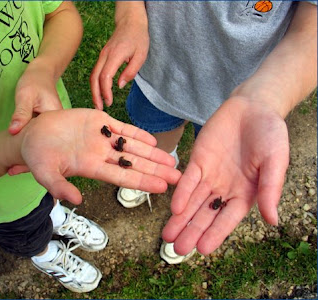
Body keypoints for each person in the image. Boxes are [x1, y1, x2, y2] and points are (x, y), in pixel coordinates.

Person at [0, 1, 181, 293]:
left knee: (51, 196)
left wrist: (44, 68)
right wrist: (18, 147)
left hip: (55, 142)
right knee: (27, 232)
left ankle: (56, 215)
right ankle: (45, 254)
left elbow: (61, 12)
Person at [90, 0, 317, 264]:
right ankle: (159, 163)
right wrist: (131, 14)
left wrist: (265, 99)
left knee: (211, 163)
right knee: (153, 133)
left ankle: (193, 204)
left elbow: (311, 32)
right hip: (160, 66)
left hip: (235, 92)